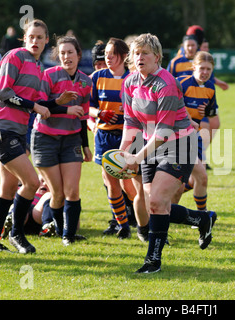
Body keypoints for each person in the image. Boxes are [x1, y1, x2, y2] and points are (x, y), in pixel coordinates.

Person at [120, 33, 217, 273]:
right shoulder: (130, 82)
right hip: (149, 143)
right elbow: (130, 123)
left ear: (157, 57)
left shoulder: (166, 83)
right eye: (136, 53)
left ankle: (153, 261)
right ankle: (202, 219)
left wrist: (137, 157)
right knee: (156, 205)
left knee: (155, 201)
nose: (139, 57)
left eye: (145, 53)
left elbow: (163, 132)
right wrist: (123, 153)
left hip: (178, 144)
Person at [0, 19, 75, 254]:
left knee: (7, 187)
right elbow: (4, 93)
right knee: (32, 182)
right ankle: (17, 234)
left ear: (46, 41)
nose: (35, 41)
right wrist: (36, 107)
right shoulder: (14, 56)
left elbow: (37, 104)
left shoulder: (38, 67)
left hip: (16, 131)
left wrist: (57, 103)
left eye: (40, 37)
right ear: (25, 39)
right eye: (31, 37)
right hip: (2, 128)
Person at [32, 35, 92, 246]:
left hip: (72, 140)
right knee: (56, 193)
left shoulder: (86, 81)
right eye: (63, 53)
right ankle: (59, 229)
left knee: (72, 190)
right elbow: (40, 105)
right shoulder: (48, 75)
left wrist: (86, 146)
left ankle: (68, 235)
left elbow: (83, 117)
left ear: (78, 55)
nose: (67, 56)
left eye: (71, 52)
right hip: (45, 138)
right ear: (58, 56)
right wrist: (65, 107)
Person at [89, 37, 138, 239]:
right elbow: (88, 107)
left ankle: (143, 220)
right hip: (104, 136)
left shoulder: (133, 79)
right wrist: (99, 114)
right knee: (112, 184)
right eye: (106, 55)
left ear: (124, 56)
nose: (108, 58)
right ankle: (123, 226)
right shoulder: (97, 77)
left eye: (113, 55)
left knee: (130, 185)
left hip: (128, 136)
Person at [175, 51, 219, 211]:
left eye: (209, 69)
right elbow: (170, 108)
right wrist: (189, 114)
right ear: (193, 67)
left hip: (195, 137)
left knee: (199, 179)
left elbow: (211, 112)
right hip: (175, 138)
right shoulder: (181, 83)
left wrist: (204, 112)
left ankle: (200, 216)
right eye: (202, 68)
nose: (205, 72)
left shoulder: (210, 87)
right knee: (181, 183)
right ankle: (164, 214)